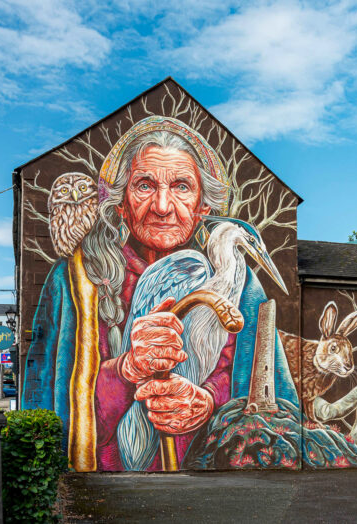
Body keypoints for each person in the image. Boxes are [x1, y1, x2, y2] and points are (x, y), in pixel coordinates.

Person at [22, 116, 299, 471]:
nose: (163, 206)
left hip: (216, 496)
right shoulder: (76, 281)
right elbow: (53, 402)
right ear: (121, 203)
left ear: (204, 207)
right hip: (108, 499)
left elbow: (259, 388)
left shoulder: (242, 288)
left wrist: (207, 401)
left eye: (182, 186)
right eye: (144, 185)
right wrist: (125, 369)